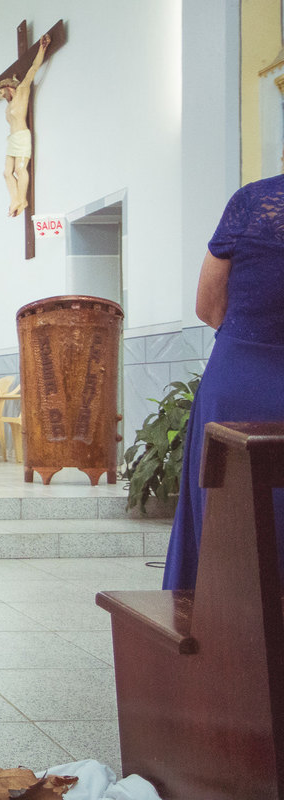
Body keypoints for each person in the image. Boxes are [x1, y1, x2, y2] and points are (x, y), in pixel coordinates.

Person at [162, 175, 284, 591]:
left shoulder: (253, 201)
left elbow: (208, 305)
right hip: (247, 369)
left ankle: (218, 637)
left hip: (242, 377)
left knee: (224, 516)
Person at [0, 34, 49, 217]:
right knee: (7, 173)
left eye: (3, 93)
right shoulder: (8, 106)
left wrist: (42, 48)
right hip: (12, 138)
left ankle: (22, 199)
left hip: (22, 135)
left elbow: (33, 68)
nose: (3, 97)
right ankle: (14, 199)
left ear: (10, 88)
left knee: (19, 169)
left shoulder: (22, 92)